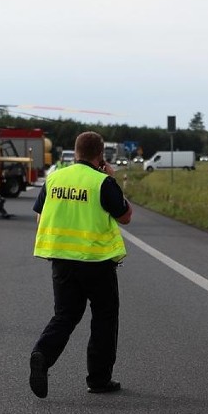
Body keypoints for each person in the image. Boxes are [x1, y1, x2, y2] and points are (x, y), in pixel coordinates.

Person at [29, 131, 133, 398]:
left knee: (65, 315)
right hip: (96, 262)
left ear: (75, 152)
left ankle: (42, 354)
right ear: (100, 155)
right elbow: (125, 216)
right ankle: (98, 380)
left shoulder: (54, 179)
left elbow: (40, 217)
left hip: (61, 261)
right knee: (104, 317)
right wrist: (109, 176)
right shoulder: (101, 182)